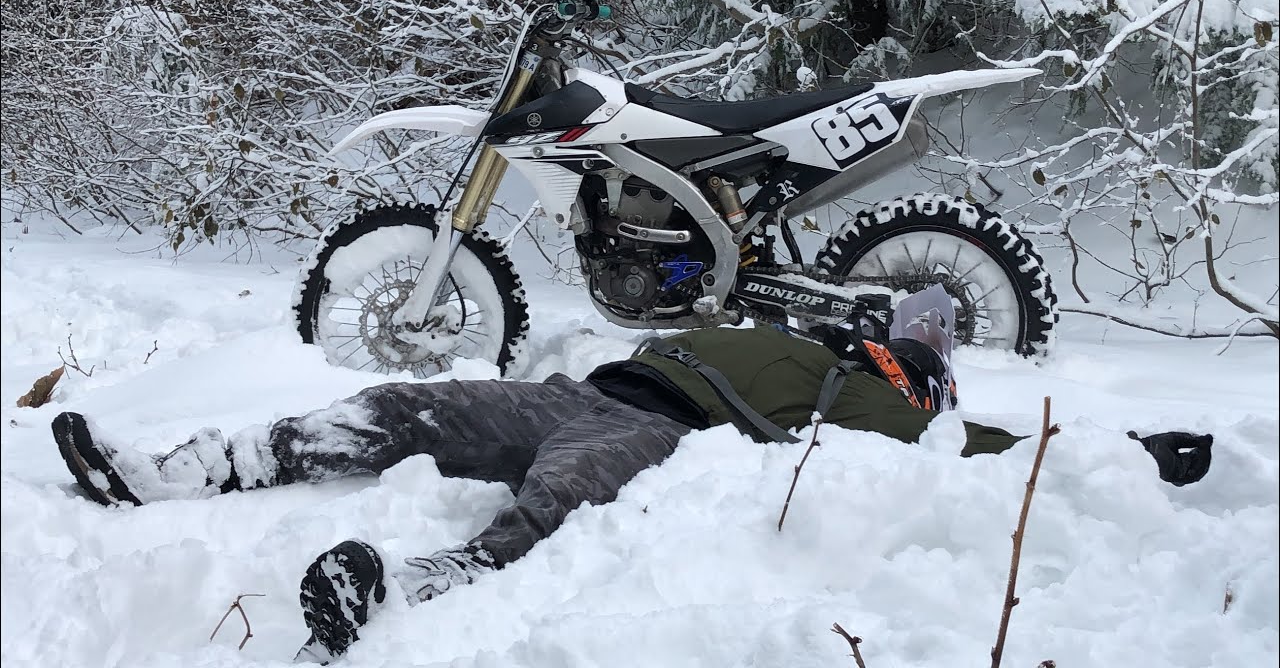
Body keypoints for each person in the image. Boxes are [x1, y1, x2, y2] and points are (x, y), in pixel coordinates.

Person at [48, 320, 1213, 664]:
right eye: (893, 342)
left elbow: (1004, 447)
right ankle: (173, 472)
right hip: (578, 385)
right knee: (409, 408)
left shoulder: (890, 418)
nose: (894, 353)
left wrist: (1144, 447)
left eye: (914, 357)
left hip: (652, 435)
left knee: (562, 499)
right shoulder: (800, 338)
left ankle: (409, 585)